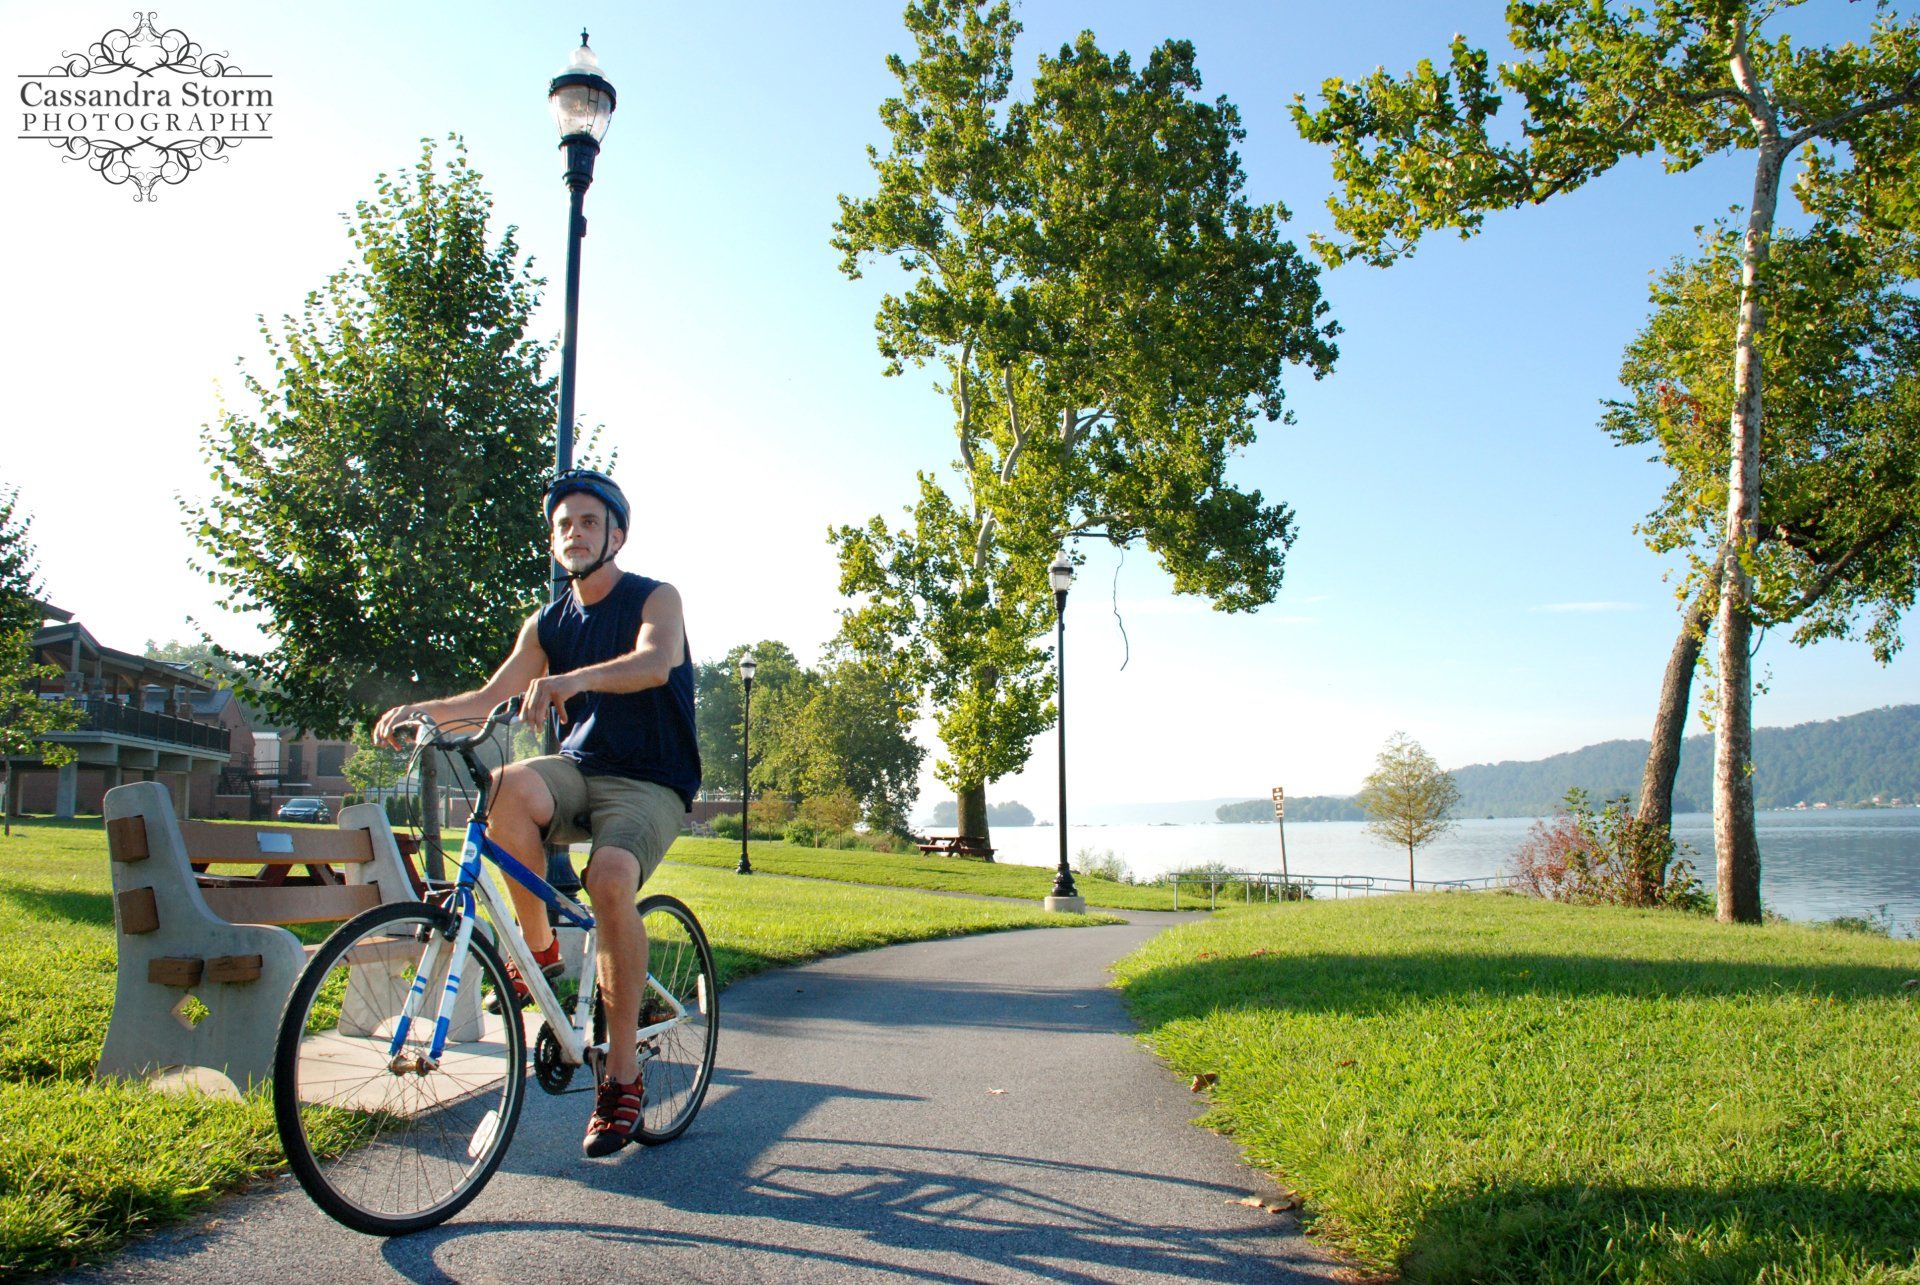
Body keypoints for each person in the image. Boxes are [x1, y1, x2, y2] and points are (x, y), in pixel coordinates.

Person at [375, 468, 701, 1158]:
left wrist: (571, 679)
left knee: (610, 877)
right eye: (563, 526)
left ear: (617, 532)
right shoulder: (549, 619)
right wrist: (421, 713)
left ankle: (620, 1077)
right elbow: (492, 693)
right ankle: (541, 958)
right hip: (581, 772)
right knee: (503, 789)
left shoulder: (655, 597)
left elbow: (655, 661)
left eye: (588, 521)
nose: (574, 534)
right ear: (553, 543)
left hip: (651, 781)